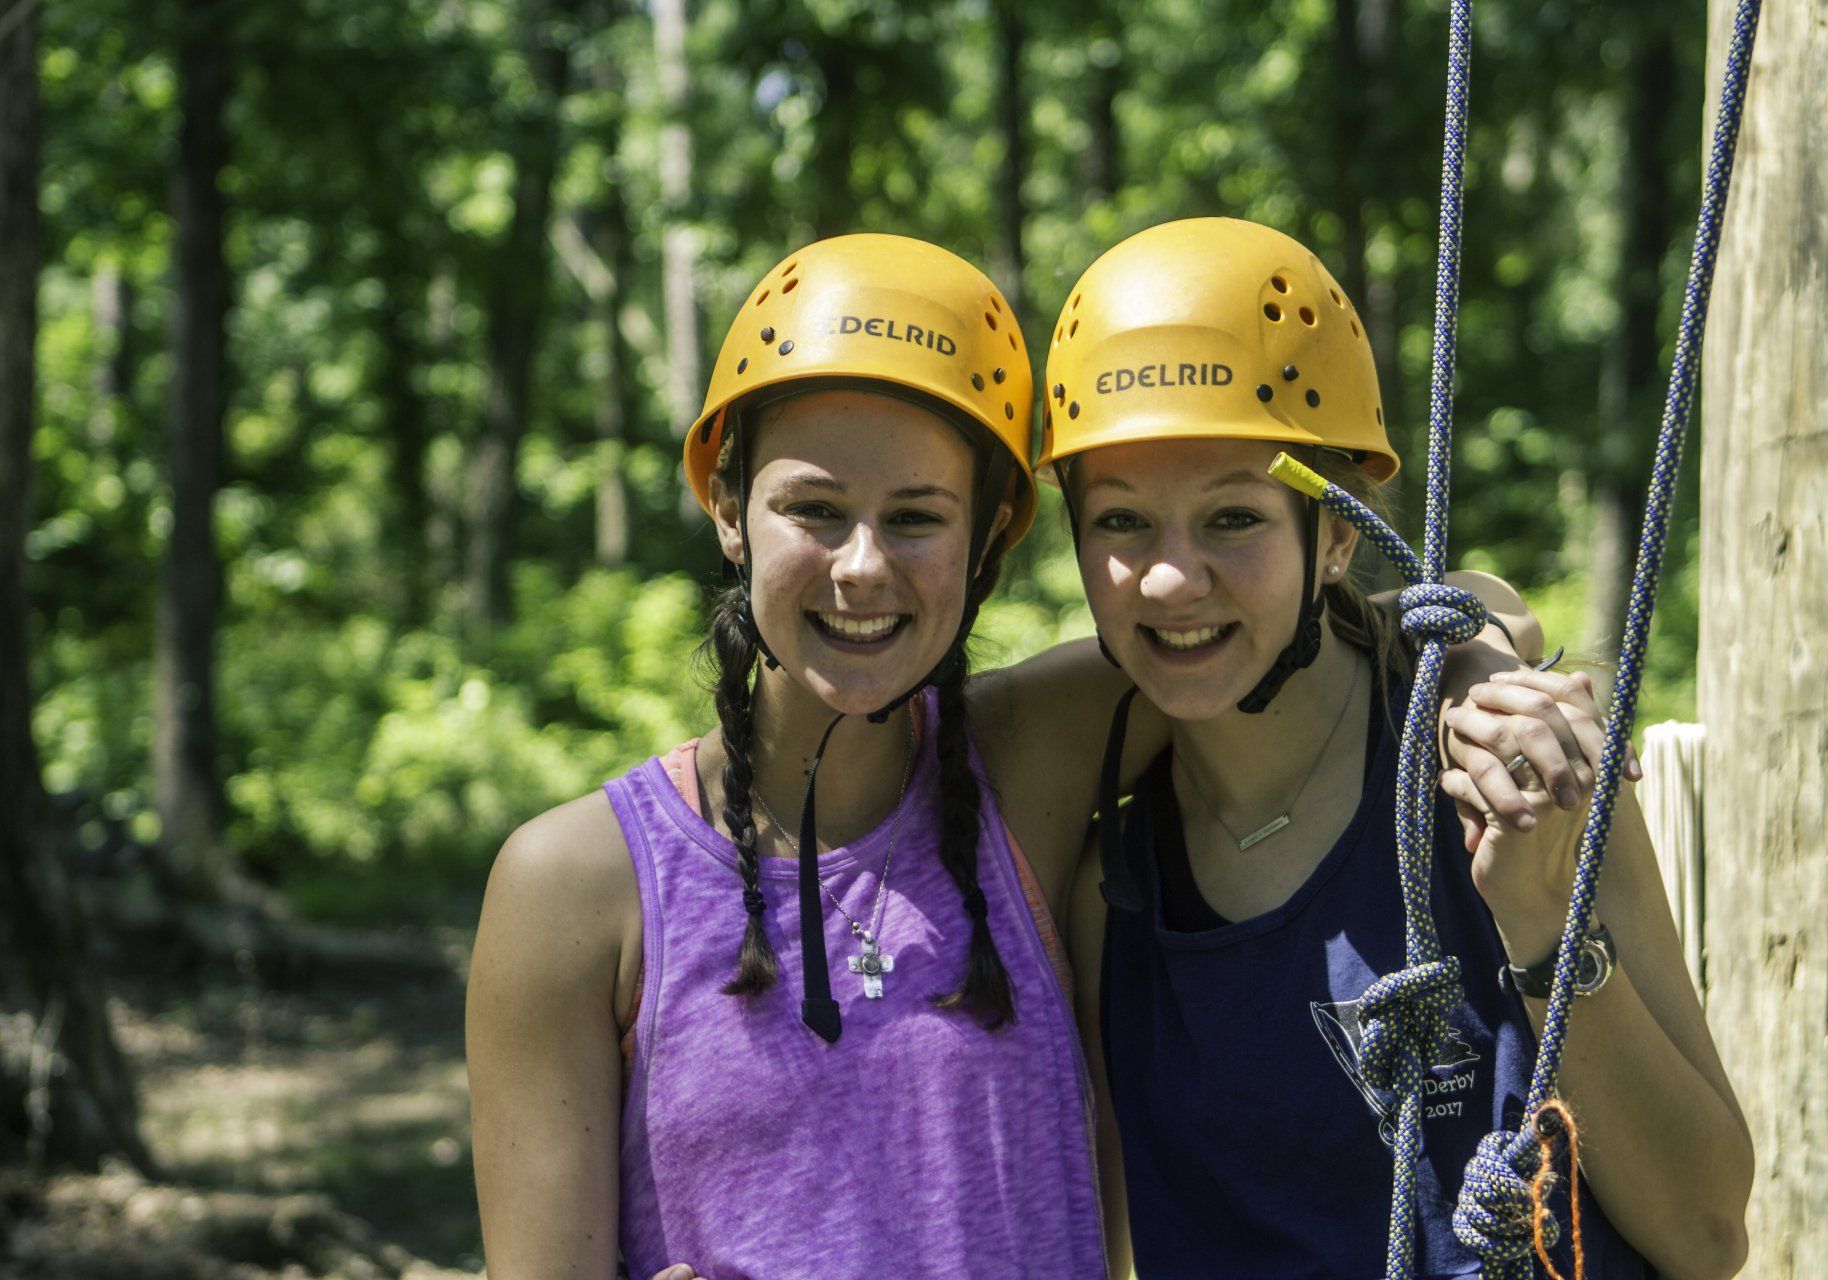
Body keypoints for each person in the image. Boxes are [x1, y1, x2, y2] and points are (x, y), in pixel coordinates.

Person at [465, 230, 1556, 1280]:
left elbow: (1404, 610)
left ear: (991, 535)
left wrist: (1485, 682)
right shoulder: (575, 888)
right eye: (814, 508)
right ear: (726, 507)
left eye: (916, 517)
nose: (861, 567)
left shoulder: (1021, 764)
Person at [1042, 218, 1754, 1279]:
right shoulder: (1116, 893)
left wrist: (1534, 911)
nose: (1172, 578)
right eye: (1122, 523)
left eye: (1233, 518)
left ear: (1336, 535)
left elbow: (1707, 1232)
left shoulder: (1510, 767)